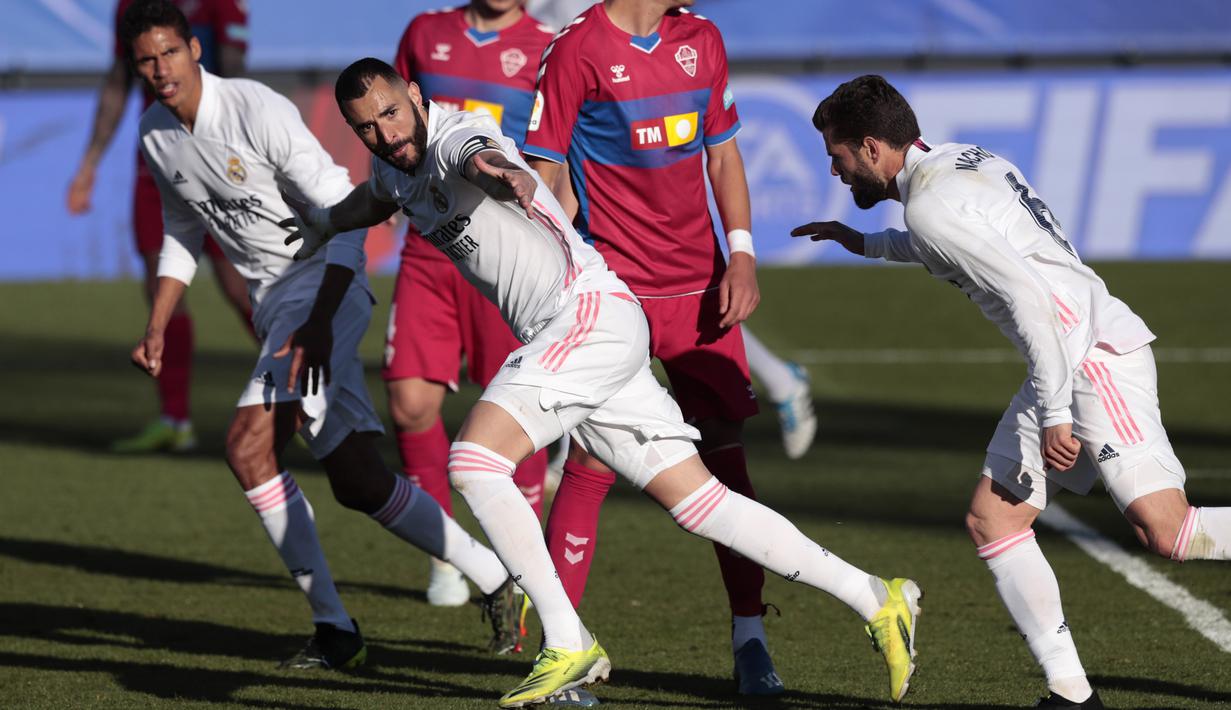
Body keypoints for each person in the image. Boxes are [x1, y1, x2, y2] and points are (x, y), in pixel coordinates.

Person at [284, 57, 922, 707]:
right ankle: (874, 596)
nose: (386, 132)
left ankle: (565, 640)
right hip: (586, 337)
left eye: (392, 112)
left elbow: (480, 158)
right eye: (366, 126)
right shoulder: (393, 167)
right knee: (699, 503)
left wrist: (508, 177)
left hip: (582, 317)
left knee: (475, 463)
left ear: (415, 96)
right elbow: (373, 198)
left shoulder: (454, 136)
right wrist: (324, 221)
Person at [793, 74, 1231, 709]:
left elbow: (1027, 296)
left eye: (837, 157)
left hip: (1090, 357)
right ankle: (1071, 694)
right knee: (994, 518)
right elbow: (955, 247)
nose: (836, 173)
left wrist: (1057, 412)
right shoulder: (961, 163)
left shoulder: (931, 204)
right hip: (1066, 355)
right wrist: (862, 241)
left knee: (1171, 532)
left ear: (869, 147)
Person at [120, 0, 520, 669]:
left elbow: (344, 215)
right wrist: (158, 321)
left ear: (195, 49)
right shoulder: (156, 134)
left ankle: (336, 629)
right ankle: (494, 578)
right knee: (359, 482)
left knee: (249, 448)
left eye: (169, 53)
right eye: (145, 60)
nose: (160, 70)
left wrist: (314, 323)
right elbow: (184, 229)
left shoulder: (254, 109)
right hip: (278, 308)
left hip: (321, 288)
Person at [521, 0, 809, 694]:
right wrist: (554, 278)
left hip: (698, 290)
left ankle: (750, 641)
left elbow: (723, 154)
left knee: (725, 457)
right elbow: (545, 173)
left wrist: (739, 255)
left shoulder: (700, 39)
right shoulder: (575, 49)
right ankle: (562, 654)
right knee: (590, 457)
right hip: (612, 290)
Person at [389, 0, 555, 609]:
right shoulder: (425, 32)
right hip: (430, 249)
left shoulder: (547, 44)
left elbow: (556, 143)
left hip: (500, 249)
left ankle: (523, 567)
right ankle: (448, 556)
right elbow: (389, 129)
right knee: (409, 404)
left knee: (518, 414)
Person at [68, 0, 255, 454]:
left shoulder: (219, 4)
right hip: (154, 164)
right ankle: (175, 419)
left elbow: (233, 74)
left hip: (215, 160)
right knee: (160, 289)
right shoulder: (128, 7)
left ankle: (313, 397)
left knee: (240, 286)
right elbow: (118, 80)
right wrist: (89, 163)